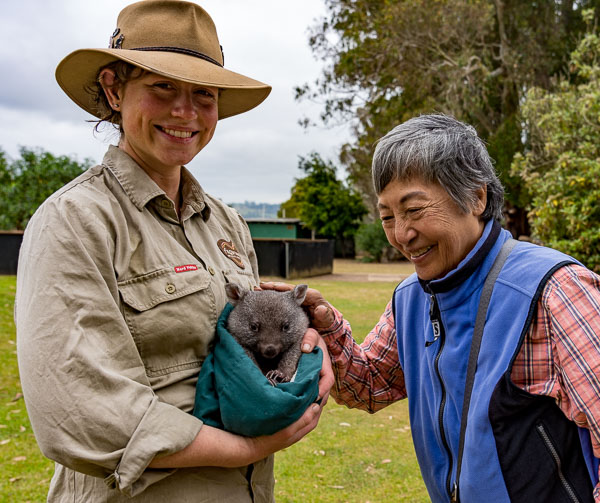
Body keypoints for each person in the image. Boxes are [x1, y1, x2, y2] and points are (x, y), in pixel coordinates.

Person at [15, 1, 332, 501]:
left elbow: (249, 351)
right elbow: (79, 413)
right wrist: (246, 448)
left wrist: (308, 356)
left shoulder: (227, 224)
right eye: (162, 86)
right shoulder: (75, 221)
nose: (185, 111)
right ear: (114, 89)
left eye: (203, 94)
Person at [264, 113, 600, 502]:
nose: (401, 235)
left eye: (415, 210)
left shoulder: (553, 290)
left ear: (477, 197)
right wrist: (325, 324)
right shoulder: (412, 297)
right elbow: (371, 384)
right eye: (387, 216)